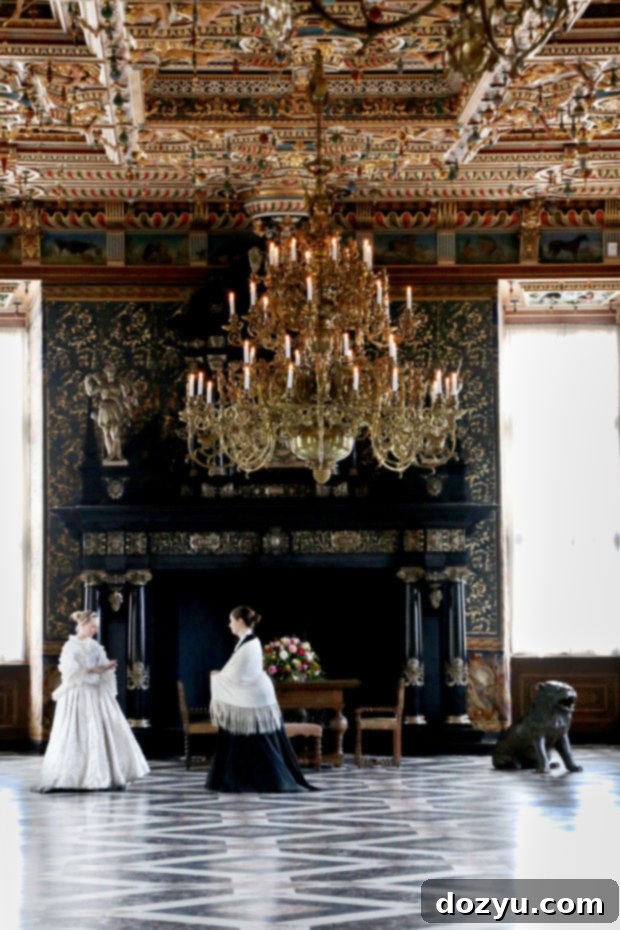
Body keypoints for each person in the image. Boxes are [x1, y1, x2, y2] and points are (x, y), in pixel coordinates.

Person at [206, 605, 316, 793]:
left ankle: (266, 781)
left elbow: (239, 674)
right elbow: (236, 670)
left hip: (254, 698)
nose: (229, 625)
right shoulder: (245, 641)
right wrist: (221, 674)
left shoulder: (250, 644)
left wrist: (217, 677)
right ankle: (240, 778)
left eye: (231, 621)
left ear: (240, 622)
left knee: (262, 744)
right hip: (250, 697)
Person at [40, 610, 150, 791]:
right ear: (82, 625)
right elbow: (69, 672)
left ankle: (107, 774)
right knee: (80, 731)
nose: (94, 631)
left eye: (96, 628)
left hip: (97, 693)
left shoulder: (95, 646)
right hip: (79, 693)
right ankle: (76, 777)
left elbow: (102, 665)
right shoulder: (71, 646)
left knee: (103, 730)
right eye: (92, 627)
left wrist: (107, 667)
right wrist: (93, 670)